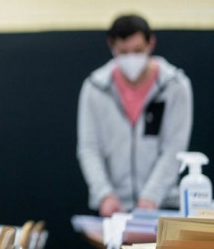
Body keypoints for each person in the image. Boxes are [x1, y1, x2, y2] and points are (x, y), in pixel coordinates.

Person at [77, 13, 193, 217]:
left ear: (151, 43)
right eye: (123, 52)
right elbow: (89, 148)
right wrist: (105, 195)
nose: (131, 58)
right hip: (115, 208)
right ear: (111, 46)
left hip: (163, 204)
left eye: (138, 50)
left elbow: (174, 148)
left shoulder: (175, 86)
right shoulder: (95, 88)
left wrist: (151, 197)